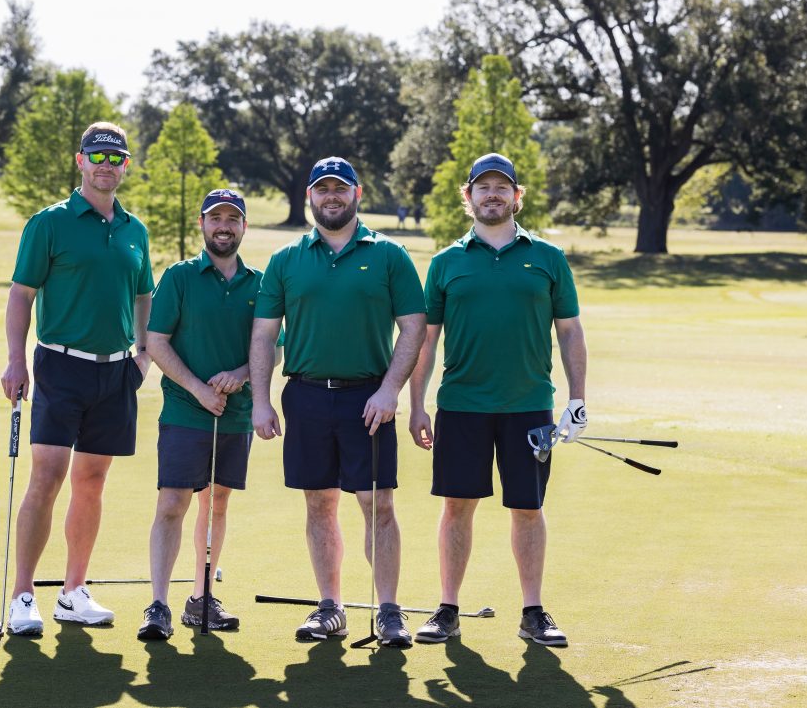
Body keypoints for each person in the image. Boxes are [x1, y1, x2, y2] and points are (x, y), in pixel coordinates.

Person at [407, 152, 587, 647]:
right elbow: (427, 339)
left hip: (529, 405)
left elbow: (569, 331)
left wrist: (578, 400)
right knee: (457, 506)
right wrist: (417, 402)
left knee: (528, 508)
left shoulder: (548, 257)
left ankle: (533, 612)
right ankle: (447, 609)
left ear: (516, 196)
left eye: (501, 187)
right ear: (467, 197)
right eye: (482, 187)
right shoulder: (446, 263)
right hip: (461, 405)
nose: (492, 195)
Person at [250, 156, 427, 648]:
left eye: (340, 188)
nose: (332, 196)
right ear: (310, 195)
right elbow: (264, 336)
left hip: (368, 399)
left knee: (378, 505)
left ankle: (390, 611)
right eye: (322, 189)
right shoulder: (286, 260)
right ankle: (331, 608)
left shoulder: (389, 255)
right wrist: (261, 401)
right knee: (318, 503)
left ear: (357, 193)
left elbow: (413, 328)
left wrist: (390, 390)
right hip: (305, 396)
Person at [0, 122, 153, 635]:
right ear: (80, 161)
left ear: (125, 165)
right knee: (47, 477)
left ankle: (73, 592)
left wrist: (144, 355)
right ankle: (23, 595)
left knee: (92, 481)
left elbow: (143, 295)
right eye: (98, 156)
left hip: (116, 372)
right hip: (60, 366)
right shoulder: (49, 223)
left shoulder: (135, 229)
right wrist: (16, 361)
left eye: (116, 157)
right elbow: (21, 294)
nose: (107, 165)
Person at [138, 188, 279, 641]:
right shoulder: (179, 277)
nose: (224, 226)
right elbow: (156, 342)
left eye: (232, 219)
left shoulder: (261, 284)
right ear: (202, 224)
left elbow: (276, 347)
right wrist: (198, 389)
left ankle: (202, 597)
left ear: (244, 226)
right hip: (185, 412)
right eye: (215, 218)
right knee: (172, 504)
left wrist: (242, 374)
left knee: (217, 502)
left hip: (234, 415)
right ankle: (158, 604)